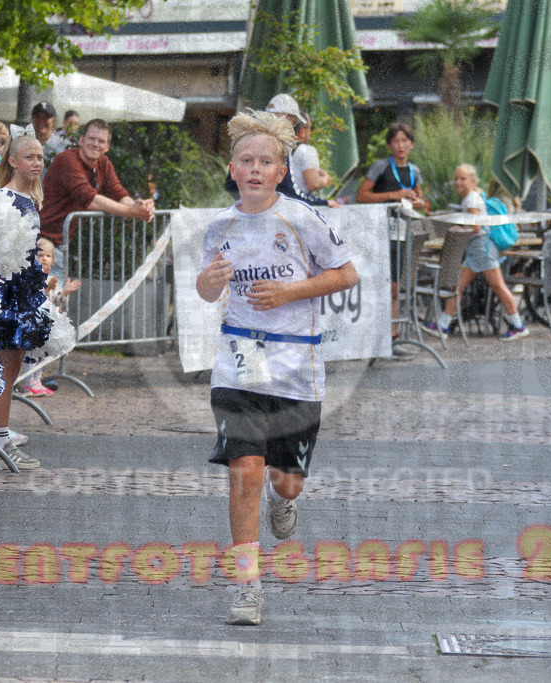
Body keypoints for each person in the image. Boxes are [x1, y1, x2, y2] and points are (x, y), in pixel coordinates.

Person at [196, 110, 357, 625]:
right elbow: (204, 291)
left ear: (282, 170)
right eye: (247, 160)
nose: (256, 168)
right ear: (233, 169)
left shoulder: (302, 217)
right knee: (245, 472)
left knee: (285, 482)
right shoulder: (220, 225)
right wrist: (213, 280)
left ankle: (284, 500)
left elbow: (346, 273)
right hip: (239, 362)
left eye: (266, 160)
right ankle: (247, 585)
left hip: (297, 365)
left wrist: (292, 289)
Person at [0, 130, 48, 470]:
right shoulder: (5, 198)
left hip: (20, 291)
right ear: (12, 162)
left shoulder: (28, 199)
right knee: (4, 369)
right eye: (29, 157)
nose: (37, 163)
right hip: (7, 295)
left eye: (39, 157)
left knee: (5, 368)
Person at [40, 118, 155, 280]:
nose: (95, 144)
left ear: (107, 147)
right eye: (91, 139)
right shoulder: (67, 160)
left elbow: (119, 194)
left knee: (54, 300)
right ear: (81, 140)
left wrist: (140, 205)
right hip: (39, 241)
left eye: (101, 141)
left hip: (58, 244)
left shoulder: (104, 164)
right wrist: (132, 211)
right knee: (46, 300)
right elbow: (90, 199)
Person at [424, 164, 528, 341]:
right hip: (477, 249)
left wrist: (458, 227)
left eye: (463, 179)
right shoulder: (472, 197)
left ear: (472, 181)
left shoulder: (471, 199)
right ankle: (442, 325)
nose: (458, 182)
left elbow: (475, 226)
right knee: (457, 287)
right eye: (456, 178)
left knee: (497, 287)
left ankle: (518, 325)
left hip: (481, 248)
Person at [356, 123, 428, 341]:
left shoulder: (414, 171)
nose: (400, 146)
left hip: (403, 233)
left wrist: (416, 202)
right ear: (389, 145)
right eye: (396, 141)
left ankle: (392, 332)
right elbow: (361, 196)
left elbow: (422, 203)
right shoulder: (379, 167)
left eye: (405, 141)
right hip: (378, 231)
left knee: (395, 284)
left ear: (412, 144)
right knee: (379, 283)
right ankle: (375, 332)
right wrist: (392, 195)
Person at [17, 238, 80, 397]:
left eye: (48, 256)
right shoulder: (30, 278)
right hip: (32, 323)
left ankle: (37, 381)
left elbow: (58, 301)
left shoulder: (52, 278)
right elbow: (32, 298)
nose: (44, 259)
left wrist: (64, 292)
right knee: (31, 353)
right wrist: (47, 289)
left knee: (43, 354)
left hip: (47, 324)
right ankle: (27, 382)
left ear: (53, 260)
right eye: (40, 255)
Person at [290, 111, 331, 196]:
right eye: (310, 128)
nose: (311, 132)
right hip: (300, 202)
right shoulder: (307, 150)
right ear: (302, 131)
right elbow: (313, 184)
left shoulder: (280, 148)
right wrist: (325, 178)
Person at [31, 101, 69, 167]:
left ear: (54, 122)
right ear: (33, 120)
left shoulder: (64, 146)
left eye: (46, 118)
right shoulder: (25, 145)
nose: (41, 121)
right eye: (38, 117)